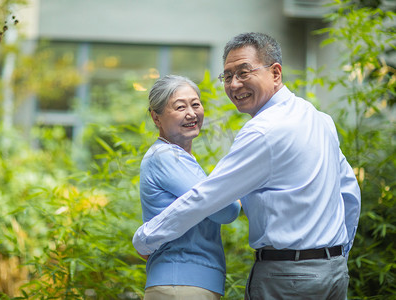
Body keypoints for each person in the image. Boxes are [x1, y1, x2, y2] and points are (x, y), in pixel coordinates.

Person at [133, 33, 361, 299]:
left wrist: (146, 237)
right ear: (155, 117)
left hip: (287, 276)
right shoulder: (320, 119)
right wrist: (338, 254)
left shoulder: (263, 130)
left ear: (276, 73)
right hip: (333, 272)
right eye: (227, 76)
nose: (234, 84)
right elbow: (349, 192)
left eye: (243, 72)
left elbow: (209, 197)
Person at [138, 75, 241, 300]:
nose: (192, 113)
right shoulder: (166, 157)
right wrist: (240, 192)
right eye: (180, 107)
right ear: (156, 117)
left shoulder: (182, 159)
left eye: (195, 104)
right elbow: (226, 210)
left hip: (185, 283)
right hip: (180, 282)